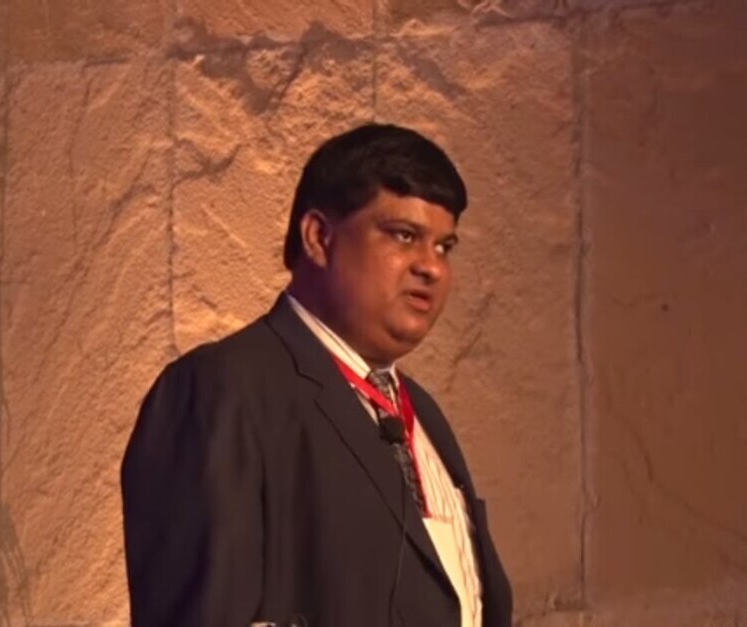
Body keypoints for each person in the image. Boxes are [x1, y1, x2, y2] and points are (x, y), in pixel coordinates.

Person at [121, 124, 512, 627]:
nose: (431, 267)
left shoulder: (424, 413)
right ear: (319, 238)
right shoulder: (221, 390)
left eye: (445, 246)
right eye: (405, 235)